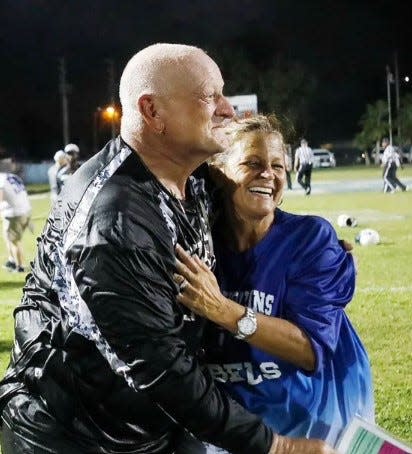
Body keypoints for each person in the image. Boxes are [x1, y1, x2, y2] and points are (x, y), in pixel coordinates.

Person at [0, 45, 334, 454]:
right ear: (153, 112)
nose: (228, 109)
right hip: (77, 436)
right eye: (209, 96)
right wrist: (278, 447)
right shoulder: (115, 219)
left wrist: (305, 241)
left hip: (145, 421)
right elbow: (162, 368)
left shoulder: (187, 176)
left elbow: (246, 201)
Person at [174, 115, 375, 451]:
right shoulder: (197, 245)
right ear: (217, 173)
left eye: (278, 166)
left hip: (315, 418)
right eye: (252, 163)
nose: (268, 174)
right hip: (240, 422)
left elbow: (311, 352)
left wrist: (224, 310)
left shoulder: (310, 238)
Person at [0, 171, 32, 272]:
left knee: (14, 241)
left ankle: (20, 267)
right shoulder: (12, 176)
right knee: (8, 237)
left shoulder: (1, 180)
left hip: (14, 213)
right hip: (24, 210)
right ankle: (12, 261)